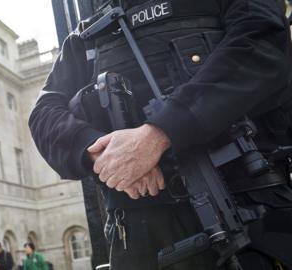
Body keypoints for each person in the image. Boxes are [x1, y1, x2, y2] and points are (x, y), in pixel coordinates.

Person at [29, 0, 292, 269]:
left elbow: (262, 47)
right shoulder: (87, 33)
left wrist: (158, 135)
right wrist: (106, 155)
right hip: (139, 231)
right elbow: (43, 114)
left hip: (250, 213)